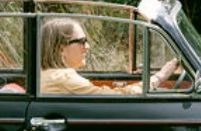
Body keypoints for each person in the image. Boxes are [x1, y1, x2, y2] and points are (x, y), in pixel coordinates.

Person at [40, 17, 179, 95]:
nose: (87, 47)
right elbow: (119, 98)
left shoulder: (49, 75)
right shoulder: (64, 78)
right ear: (61, 49)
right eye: (81, 42)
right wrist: (159, 77)